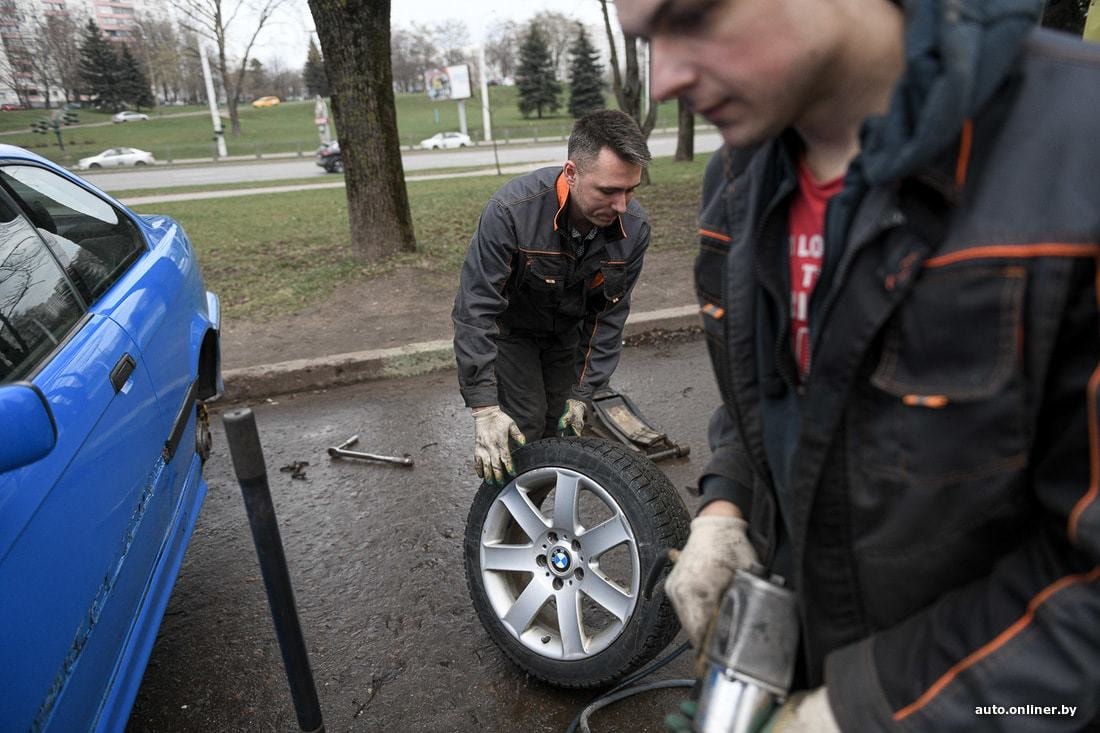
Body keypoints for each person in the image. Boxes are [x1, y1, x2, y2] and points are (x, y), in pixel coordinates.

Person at [615, 0, 1100, 729]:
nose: (663, 79)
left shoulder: (1080, 153)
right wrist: (726, 502)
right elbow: (783, 398)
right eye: (648, 39)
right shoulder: (736, 186)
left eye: (690, 15)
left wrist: (869, 709)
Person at [452, 110, 652, 484]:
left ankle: (542, 518)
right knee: (522, 425)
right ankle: (502, 525)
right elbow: (475, 309)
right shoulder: (511, 213)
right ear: (572, 173)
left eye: (631, 190)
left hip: (568, 334)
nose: (623, 205)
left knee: (563, 428)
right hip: (513, 332)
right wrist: (484, 408)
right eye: (609, 191)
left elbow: (608, 316)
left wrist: (583, 391)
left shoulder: (634, 229)